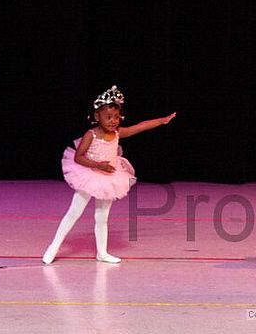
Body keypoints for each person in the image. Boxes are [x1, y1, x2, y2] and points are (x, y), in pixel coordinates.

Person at [42, 85, 176, 264]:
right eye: (108, 117)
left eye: (116, 117)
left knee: (102, 217)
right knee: (74, 213)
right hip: (89, 175)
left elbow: (139, 127)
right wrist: (98, 165)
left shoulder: (117, 133)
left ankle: (102, 253)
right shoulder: (91, 135)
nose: (113, 121)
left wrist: (162, 121)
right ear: (97, 117)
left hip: (109, 179)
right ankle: (54, 247)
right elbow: (78, 157)